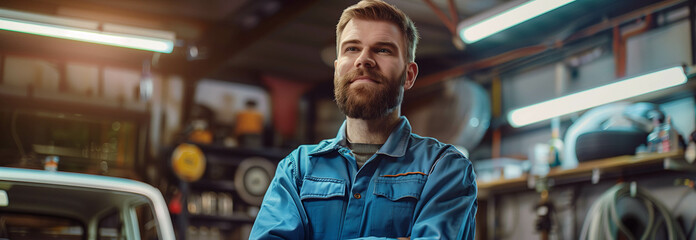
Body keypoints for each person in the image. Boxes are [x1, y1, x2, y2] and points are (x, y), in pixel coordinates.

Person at [249, 0, 477, 239]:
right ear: (337, 69)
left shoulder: (444, 169)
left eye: (383, 50)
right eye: (352, 48)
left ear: (408, 76)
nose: (364, 59)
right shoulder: (298, 170)